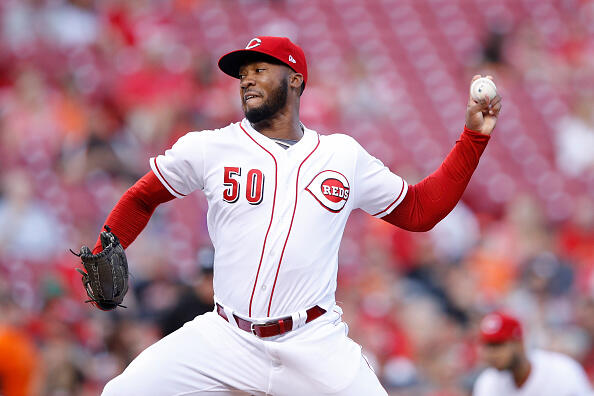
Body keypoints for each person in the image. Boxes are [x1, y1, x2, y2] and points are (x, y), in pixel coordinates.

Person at [88, 36, 501, 395]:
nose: (246, 79)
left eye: (259, 69)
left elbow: (420, 210)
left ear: (295, 80)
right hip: (226, 336)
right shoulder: (209, 147)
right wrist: (107, 243)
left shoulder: (342, 155)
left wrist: (473, 138)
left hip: (313, 341)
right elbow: (142, 197)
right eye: (242, 73)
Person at [473, 312, 593, 396]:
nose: (491, 354)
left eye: (498, 345)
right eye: (487, 346)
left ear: (519, 343)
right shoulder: (487, 383)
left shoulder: (562, 371)